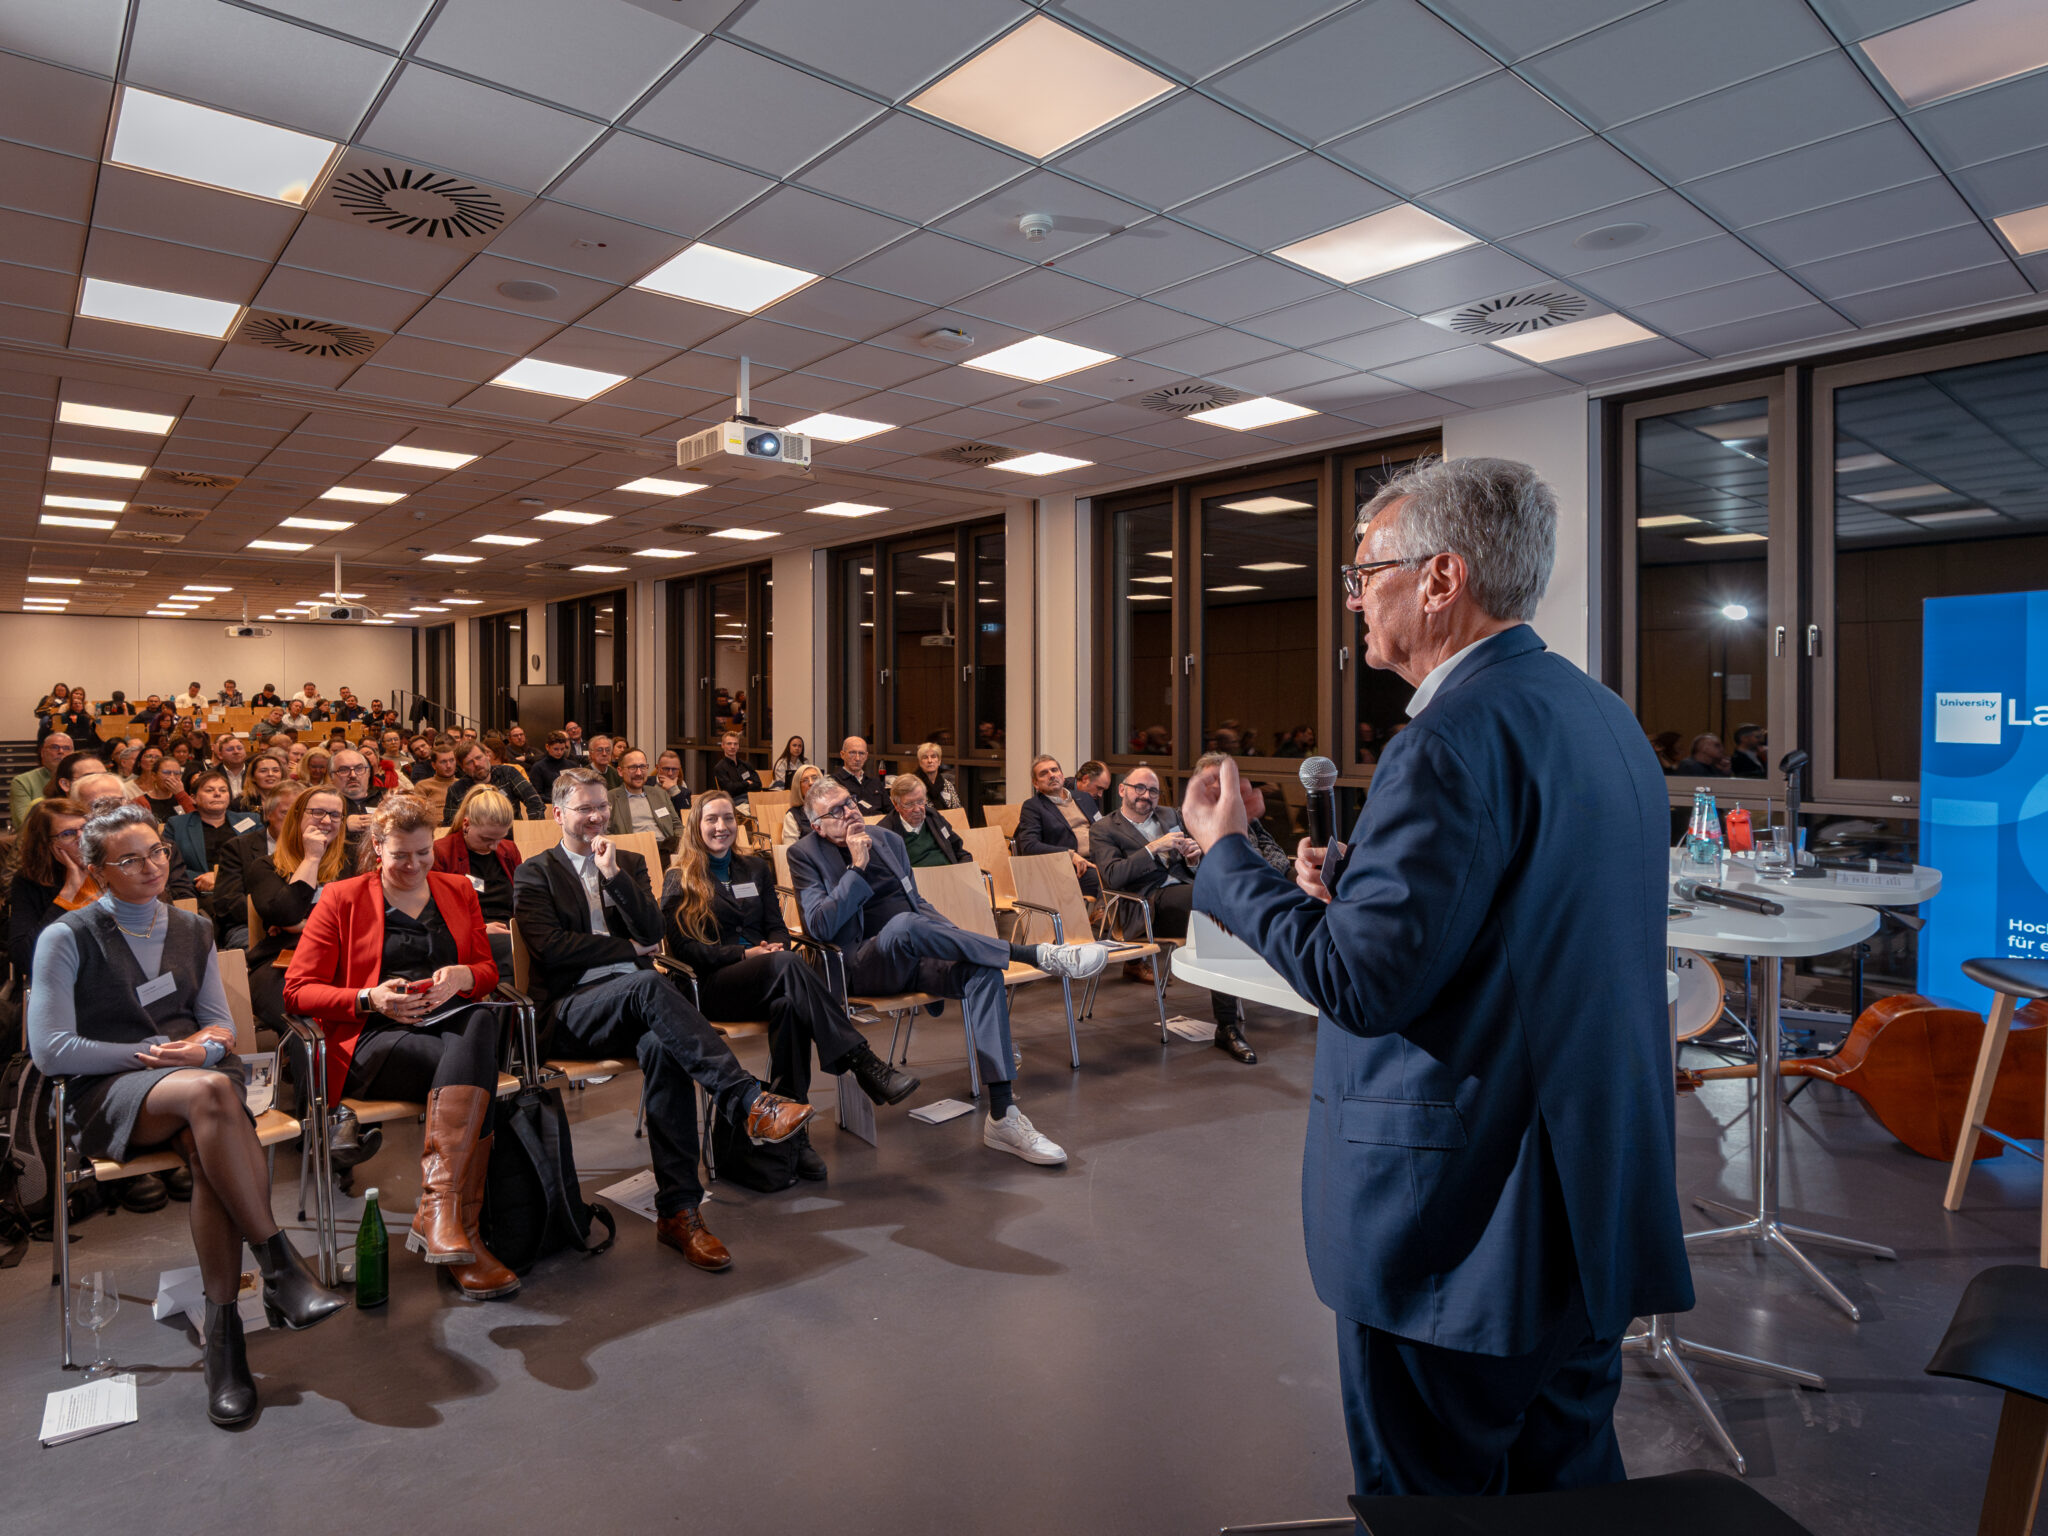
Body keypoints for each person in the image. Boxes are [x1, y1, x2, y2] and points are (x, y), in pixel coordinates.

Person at [1179, 456, 1692, 1499]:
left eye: (1365, 570)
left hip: (1464, 1227)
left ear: (1440, 580)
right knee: (1566, 1491)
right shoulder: (1597, 717)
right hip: (1582, 1202)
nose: (1354, 596)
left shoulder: (1448, 738)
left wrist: (1226, 857)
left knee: (1434, 1501)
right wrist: (1352, 893)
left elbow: (1362, 987)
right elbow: (1511, 933)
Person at [29, 803, 347, 1425]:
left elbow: (219, 1025)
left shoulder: (191, 927)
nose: (150, 866)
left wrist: (201, 1048)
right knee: (209, 1093)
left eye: (157, 852)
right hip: (112, 1087)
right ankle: (280, 1264)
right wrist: (152, 1057)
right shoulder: (65, 936)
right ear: (96, 870)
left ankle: (225, 1342)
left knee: (209, 1146)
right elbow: (50, 1049)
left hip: (199, 1084)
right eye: (129, 859)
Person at [512, 769, 815, 1272]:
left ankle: (678, 1211)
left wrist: (614, 879)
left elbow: (655, 931)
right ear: (558, 814)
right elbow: (551, 949)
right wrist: (627, 949)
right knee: (652, 981)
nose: (595, 817)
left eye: (600, 808)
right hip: (571, 1009)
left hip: (634, 1004)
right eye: (584, 809)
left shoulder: (627, 862)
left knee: (663, 1045)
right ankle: (746, 1099)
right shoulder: (534, 872)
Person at [788, 775, 1106, 1165]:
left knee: (982, 971)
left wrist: (956, 940)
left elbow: (916, 901)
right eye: (834, 811)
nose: (849, 812)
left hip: (913, 954)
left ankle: (1003, 1116)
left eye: (849, 802)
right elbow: (819, 926)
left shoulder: (887, 840)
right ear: (817, 825)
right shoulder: (804, 854)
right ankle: (1035, 954)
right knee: (904, 925)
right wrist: (857, 866)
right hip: (858, 965)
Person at [285, 793, 517, 1302]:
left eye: (423, 854)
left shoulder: (457, 889)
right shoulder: (341, 897)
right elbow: (297, 990)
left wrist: (463, 975)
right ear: (376, 848)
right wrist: (370, 998)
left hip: (446, 1026)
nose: (413, 866)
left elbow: (487, 973)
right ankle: (461, 1231)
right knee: (477, 1064)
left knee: (478, 1015)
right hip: (374, 1038)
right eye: (400, 856)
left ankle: (441, 1211)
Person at [662, 793, 918, 1178]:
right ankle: (861, 1061)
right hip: (713, 986)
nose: (721, 827)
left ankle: (794, 1137)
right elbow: (683, 948)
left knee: (791, 1008)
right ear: (696, 826)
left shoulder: (754, 868)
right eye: (712, 820)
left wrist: (775, 944)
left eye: (729, 819)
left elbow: (775, 924)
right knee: (787, 965)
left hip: (770, 978)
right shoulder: (679, 876)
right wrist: (744, 956)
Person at [1089, 765, 1253, 1064]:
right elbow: (1112, 877)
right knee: (1219, 910)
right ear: (1122, 790)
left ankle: (1228, 1021)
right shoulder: (1105, 829)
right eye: (1139, 788)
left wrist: (1194, 858)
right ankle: (1228, 1024)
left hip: (1184, 892)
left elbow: (1188, 864)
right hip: (1145, 905)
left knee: (1226, 910)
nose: (1146, 796)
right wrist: (1153, 848)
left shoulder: (1169, 816)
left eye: (1153, 791)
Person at [246, 787, 352, 1039]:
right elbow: (287, 914)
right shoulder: (265, 866)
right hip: (281, 963)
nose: (326, 821)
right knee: (306, 1029)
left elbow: (364, 918)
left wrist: (306, 924)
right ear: (297, 816)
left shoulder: (351, 864)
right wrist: (312, 858)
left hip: (341, 960)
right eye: (317, 812)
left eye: (335, 815)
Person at [8, 797, 97, 984]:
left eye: (86, 828)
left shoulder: (114, 866)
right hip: (69, 978)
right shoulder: (29, 882)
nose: (82, 837)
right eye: (68, 833)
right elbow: (24, 958)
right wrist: (69, 892)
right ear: (47, 846)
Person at [435, 786, 521, 976]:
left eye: (501, 838)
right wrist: (479, 928)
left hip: (509, 931)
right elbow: (436, 914)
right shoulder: (441, 853)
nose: (494, 846)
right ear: (466, 824)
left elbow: (522, 899)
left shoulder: (508, 850)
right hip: (468, 934)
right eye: (487, 839)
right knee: (513, 953)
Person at [164, 769, 258, 929]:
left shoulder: (250, 820)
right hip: (198, 895)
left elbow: (261, 859)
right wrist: (201, 877)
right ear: (193, 798)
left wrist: (219, 877)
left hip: (243, 893)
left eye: (223, 790)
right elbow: (168, 865)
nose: (217, 794)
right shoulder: (177, 824)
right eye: (209, 790)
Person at [214, 784, 297, 952]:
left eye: (299, 814)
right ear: (268, 814)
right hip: (248, 926)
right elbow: (228, 903)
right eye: (285, 813)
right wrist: (276, 920)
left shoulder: (317, 848)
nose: (293, 821)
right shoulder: (238, 847)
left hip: (303, 926)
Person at [1015, 754, 1101, 898]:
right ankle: (1102, 916)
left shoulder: (1083, 797)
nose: (1051, 775)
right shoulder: (1033, 807)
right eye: (1044, 773)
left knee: (1136, 874)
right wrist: (1070, 855)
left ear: (1062, 775)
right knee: (1107, 882)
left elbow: (1101, 827)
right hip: (1070, 868)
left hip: (1100, 858)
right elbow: (1029, 845)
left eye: (1054, 770)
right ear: (1035, 783)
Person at [879, 773, 970, 868]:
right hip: (917, 880)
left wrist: (963, 869)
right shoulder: (885, 832)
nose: (917, 809)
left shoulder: (933, 816)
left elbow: (958, 850)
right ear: (896, 805)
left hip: (950, 875)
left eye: (920, 801)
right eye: (909, 804)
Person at [609, 748, 684, 862]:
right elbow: (606, 832)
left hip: (666, 850)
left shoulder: (660, 794)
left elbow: (677, 826)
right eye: (633, 768)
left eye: (642, 767)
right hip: (634, 853)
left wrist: (680, 845)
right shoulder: (611, 798)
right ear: (620, 771)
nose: (639, 773)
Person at [442, 740, 543, 825]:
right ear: (463, 768)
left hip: (510, 835)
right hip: (475, 840)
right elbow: (450, 824)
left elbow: (534, 802)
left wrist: (532, 829)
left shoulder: (508, 773)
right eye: (469, 762)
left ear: (487, 755)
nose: (476, 764)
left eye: (478, 758)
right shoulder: (456, 789)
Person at [11, 731, 71, 827]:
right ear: (42, 753)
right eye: (54, 747)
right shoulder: (22, 781)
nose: (61, 751)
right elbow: (24, 823)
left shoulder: (80, 779)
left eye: (66, 748)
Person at [831, 736, 888, 817]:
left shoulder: (875, 783)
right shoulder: (833, 783)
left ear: (866, 756)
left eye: (861, 753)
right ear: (842, 755)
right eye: (852, 753)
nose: (857, 758)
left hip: (879, 826)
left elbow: (891, 811)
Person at [134, 748, 193, 820]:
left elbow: (195, 821)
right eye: (166, 773)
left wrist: (181, 794)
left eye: (177, 773)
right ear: (154, 776)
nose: (172, 777)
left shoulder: (182, 798)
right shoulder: (140, 802)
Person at [906, 741, 962, 810]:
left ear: (939, 761)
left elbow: (957, 811)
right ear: (920, 763)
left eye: (933, 757)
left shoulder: (947, 785)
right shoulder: (911, 786)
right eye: (925, 757)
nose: (930, 761)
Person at [710, 732, 761, 802]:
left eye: (735, 744)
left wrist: (738, 787)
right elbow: (730, 790)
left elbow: (758, 785)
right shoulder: (720, 768)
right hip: (732, 802)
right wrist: (746, 783)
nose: (732, 747)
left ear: (738, 746)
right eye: (729, 744)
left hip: (750, 798)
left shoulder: (745, 765)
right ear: (723, 746)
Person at [782, 765, 824, 843]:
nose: (811, 783)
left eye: (814, 778)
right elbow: (791, 849)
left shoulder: (833, 808)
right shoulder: (793, 816)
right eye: (805, 780)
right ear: (798, 787)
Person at [529, 730, 573, 801]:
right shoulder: (538, 767)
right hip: (548, 805)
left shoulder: (572, 765)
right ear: (547, 747)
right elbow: (536, 794)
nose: (559, 752)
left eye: (562, 749)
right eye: (556, 749)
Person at [213, 733, 250, 799]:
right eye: (230, 749)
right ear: (220, 755)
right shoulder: (211, 775)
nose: (236, 752)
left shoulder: (254, 772)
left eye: (239, 748)